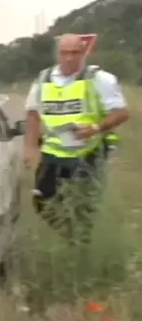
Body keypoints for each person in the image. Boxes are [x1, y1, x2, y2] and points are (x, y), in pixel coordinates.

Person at [23, 33, 129, 246]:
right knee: (41, 203)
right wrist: (30, 147)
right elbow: (33, 114)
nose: (69, 58)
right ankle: (70, 234)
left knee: (84, 207)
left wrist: (96, 128)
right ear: (57, 54)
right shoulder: (43, 80)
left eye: (75, 53)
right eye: (64, 53)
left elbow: (121, 113)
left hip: (88, 153)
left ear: (84, 53)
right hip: (53, 153)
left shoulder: (99, 79)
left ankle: (80, 245)